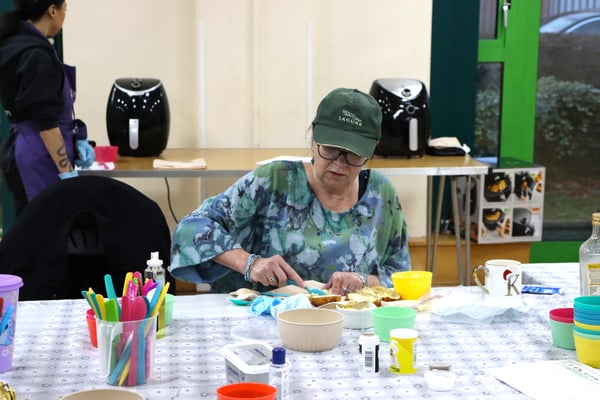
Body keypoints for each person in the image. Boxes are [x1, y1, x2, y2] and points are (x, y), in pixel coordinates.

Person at [170, 88, 411, 294]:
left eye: (353, 155)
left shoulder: (381, 195)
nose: (339, 163)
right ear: (313, 134)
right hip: (262, 325)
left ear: (372, 150)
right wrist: (250, 263)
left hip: (344, 328)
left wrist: (362, 281)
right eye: (329, 150)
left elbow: (401, 279)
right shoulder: (274, 181)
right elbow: (190, 229)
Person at [0, 0, 94, 214]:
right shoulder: (36, 55)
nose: (65, 14)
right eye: (65, 8)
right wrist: (67, 173)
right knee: (45, 229)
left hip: (31, 150)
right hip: (39, 156)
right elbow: (46, 124)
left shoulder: (24, 46)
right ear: (52, 10)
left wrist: (78, 135)